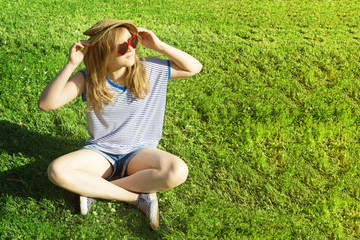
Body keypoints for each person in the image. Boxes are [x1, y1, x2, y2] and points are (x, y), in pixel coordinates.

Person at [38, 19, 202, 230]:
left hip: (140, 153)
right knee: (57, 170)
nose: (131, 49)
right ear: (103, 54)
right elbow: (46, 104)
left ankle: (96, 189)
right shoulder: (89, 79)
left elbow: (194, 68)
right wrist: (71, 64)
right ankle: (136, 198)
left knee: (177, 171)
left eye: (133, 41)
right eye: (123, 46)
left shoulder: (150, 69)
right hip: (101, 153)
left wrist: (159, 46)